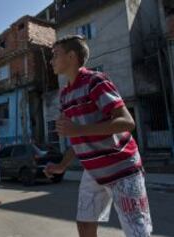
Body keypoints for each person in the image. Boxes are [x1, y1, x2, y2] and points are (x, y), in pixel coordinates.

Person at [44, 35, 152, 237]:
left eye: (55, 55)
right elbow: (78, 140)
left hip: (123, 168)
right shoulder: (65, 95)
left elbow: (128, 122)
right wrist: (61, 166)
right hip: (93, 172)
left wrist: (78, 130)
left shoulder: (95, 81)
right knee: (84, 225)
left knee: (137, 231)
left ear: (71, 56)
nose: (51, 61)